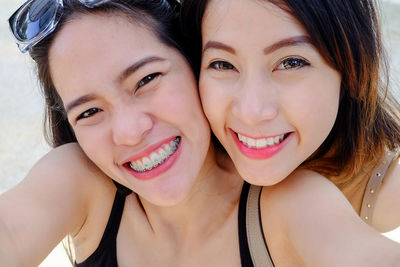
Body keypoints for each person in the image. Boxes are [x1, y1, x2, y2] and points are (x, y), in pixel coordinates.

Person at [1, 0, 400, 266]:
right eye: (89, 111)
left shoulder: (290, 205)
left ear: (193, 62)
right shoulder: (80, 181)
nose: (128, 132)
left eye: (147, 79)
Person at [181, 0, 400, 233]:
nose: (251, 112)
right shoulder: (180, 182)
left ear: (353, 72)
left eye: (290, 63)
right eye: (223, 64)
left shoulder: (390, 199)